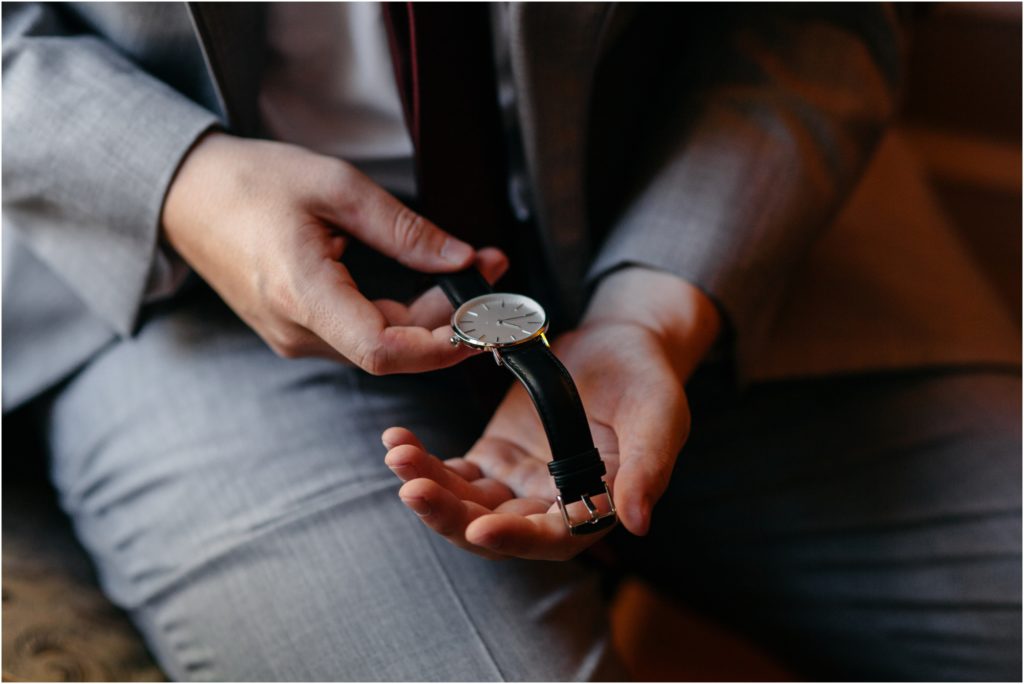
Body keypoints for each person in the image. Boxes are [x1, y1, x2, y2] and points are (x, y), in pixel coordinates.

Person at [3, 2, 1020, 680]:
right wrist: (177, 180)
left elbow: (819, 13)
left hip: (694, 211)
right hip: (176, 292)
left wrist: (655, 307)